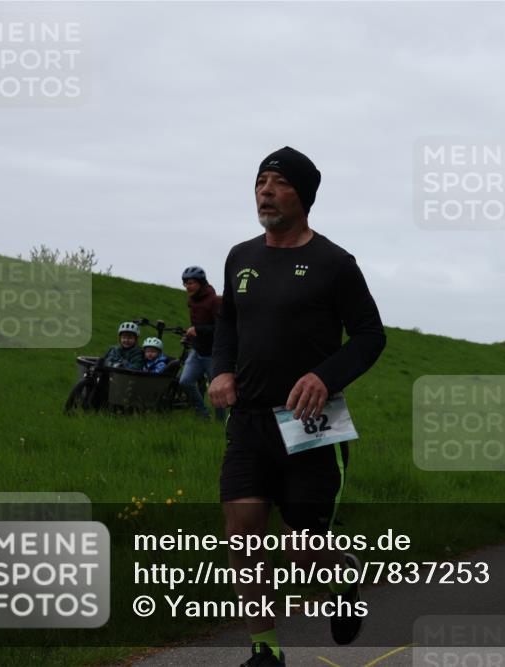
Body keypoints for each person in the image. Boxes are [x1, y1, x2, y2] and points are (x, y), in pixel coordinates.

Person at [209, 146, 386, 667]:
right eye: (261, 180)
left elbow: (370, 336)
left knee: (303, 553)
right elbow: (228, 324)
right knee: (243, 537)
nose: (265, 190)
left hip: (311, 424)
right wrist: (221, 369)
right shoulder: (240, 257)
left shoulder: (335, 263)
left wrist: (324, 375)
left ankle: (341, 577)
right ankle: (266, 651)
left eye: (278, 182)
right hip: (248, 423)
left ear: (303, 196)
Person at [179, 266, 225, 421]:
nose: (187, 286)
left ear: (201, 283)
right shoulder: (192, 301)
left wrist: (198, 330)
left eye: (191, 283)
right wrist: (189, 337)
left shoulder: (215, 301)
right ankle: (203, 413)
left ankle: (220, 422)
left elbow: (221, 327)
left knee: (216, 391)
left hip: (213, 354)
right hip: (197, 351)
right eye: (185, 283)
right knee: (185, 381)